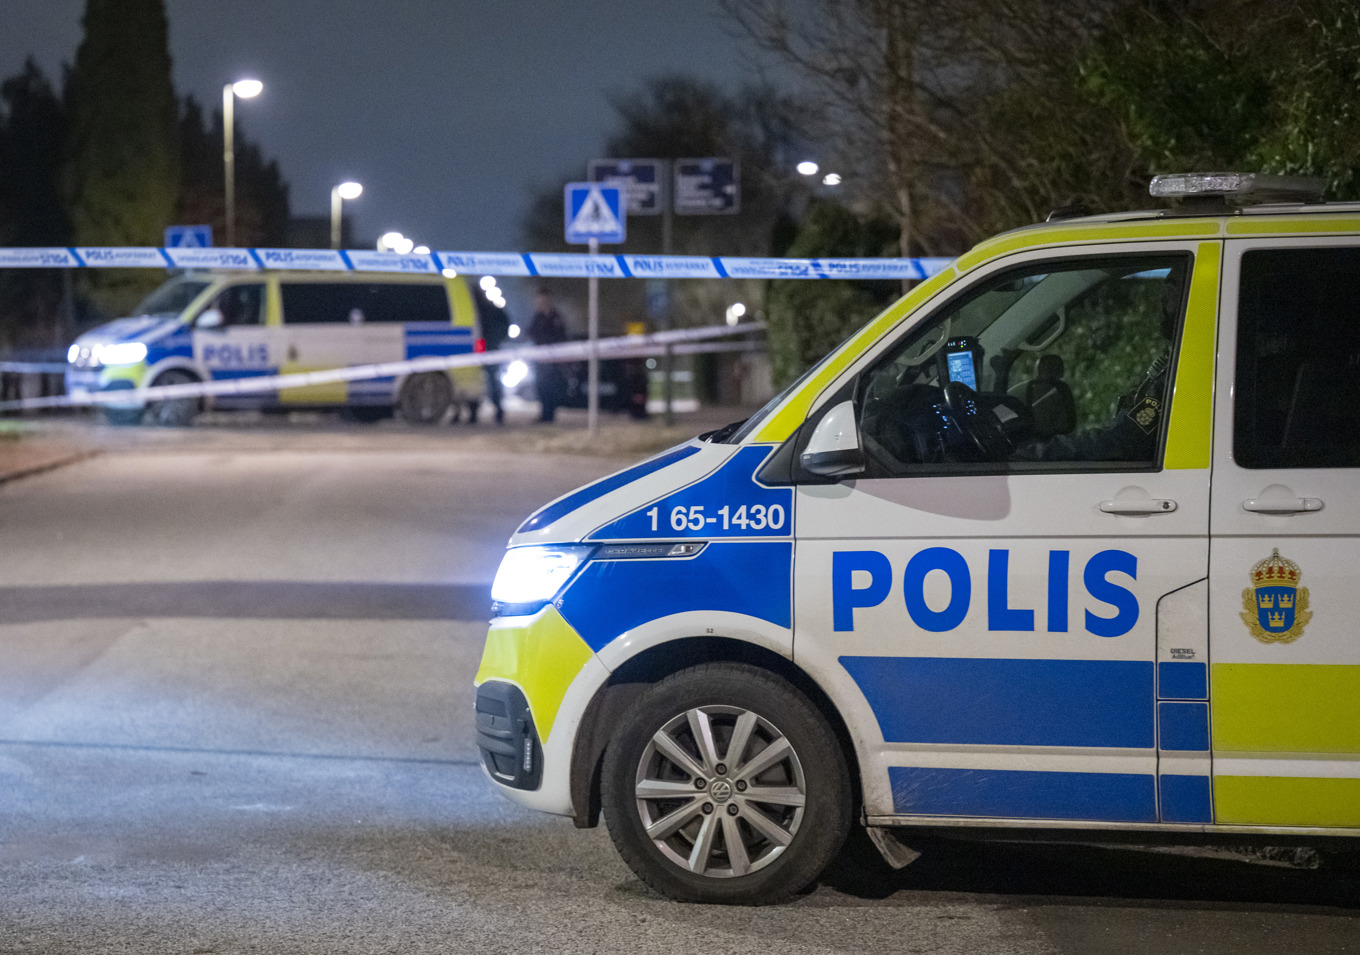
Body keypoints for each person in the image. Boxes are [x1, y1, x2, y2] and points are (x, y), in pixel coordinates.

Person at [528, 287, 567, 423]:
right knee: (541, 387)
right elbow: (531, 332)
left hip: (553, 360)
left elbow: (561, 336)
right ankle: (544, 414)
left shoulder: (556, 317)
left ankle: (550, 415)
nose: (541, 303)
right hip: (540, 359)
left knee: (551, 387)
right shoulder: (537, 317)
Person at [476, 294, 510, 424]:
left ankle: (497, 410)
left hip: (489, 350)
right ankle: (496, 410)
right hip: (487, 349)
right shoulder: (490, 309)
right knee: (490, 381)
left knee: (492, 381)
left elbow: (504, 325)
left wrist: (493, 341)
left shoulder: (487, 309)